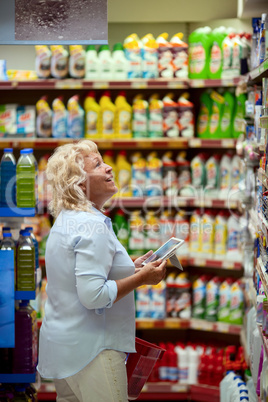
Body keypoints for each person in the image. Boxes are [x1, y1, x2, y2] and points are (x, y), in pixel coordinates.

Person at [37, 139, 167, 402]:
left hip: (64, 350)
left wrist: (131, 267)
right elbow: (93, 295)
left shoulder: (68, 218)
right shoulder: (90, 225)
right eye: (97, 164)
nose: (108, 168)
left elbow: (82, 272)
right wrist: (143, 277)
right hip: (93, 352)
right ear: (79, 183)